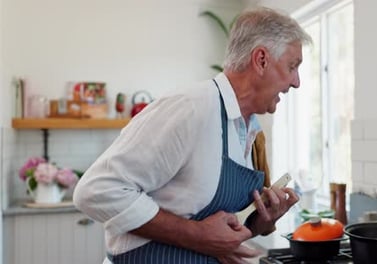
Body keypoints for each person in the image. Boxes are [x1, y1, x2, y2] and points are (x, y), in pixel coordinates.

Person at [74, 6, 312, 264]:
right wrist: (195, 234)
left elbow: (211, 225)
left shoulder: (250, 131)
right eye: (292, 66)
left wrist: (259, 223)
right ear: (261, 60)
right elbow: (96, 190)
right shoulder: (191, 108)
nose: (296, 82)